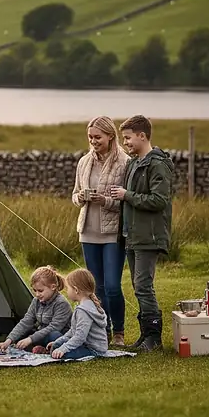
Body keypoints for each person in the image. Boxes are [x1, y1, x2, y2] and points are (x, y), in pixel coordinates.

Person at [110, 115, 175, 352]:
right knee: (139, 287)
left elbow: (159, 200)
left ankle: (154, 339)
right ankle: (145, 336)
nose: (125, 143)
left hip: (148, 235)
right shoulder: (135, 163)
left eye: (127, 138)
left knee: (143, 285)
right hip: (132, 235)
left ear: (142, 136)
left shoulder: (158, 164)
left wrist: (126, 195)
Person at [71, 116, 129, 348]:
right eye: (90, 137)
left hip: (113, 233)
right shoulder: (84, 162)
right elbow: (74, 195)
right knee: (95, 288)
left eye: (98, 137)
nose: (93, 141)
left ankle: (119, 332)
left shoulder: (124, 162)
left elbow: (127, 201)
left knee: (113, 286)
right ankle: (101, 331)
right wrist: (81, 198)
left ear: (110, 136)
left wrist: (104, 200)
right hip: (88, 232)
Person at [0, 265, 71, 355]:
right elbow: (26, 321)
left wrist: (30, 339)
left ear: (53, 287)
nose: (37, 294)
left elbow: (54, 327)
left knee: (54, 335)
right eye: (35, 290)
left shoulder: (61, 303)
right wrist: (8, 340)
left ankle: (47, 349)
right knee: (22, 334)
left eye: (40, 291)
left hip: (58, 336)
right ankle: (41, 349)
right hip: (40, 335)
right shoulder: (36, 301)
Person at [47, 269, 109, 360]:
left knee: (60, 354)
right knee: (55, 341)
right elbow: (73, 331)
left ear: (76, 290)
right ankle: (56, 346)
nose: (67, 291)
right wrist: (58, 342)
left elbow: (80, 337)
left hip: (93, 349)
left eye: (68, 288)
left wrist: (63, 348)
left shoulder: (84, 311)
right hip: (85, 344)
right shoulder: (87, 305)